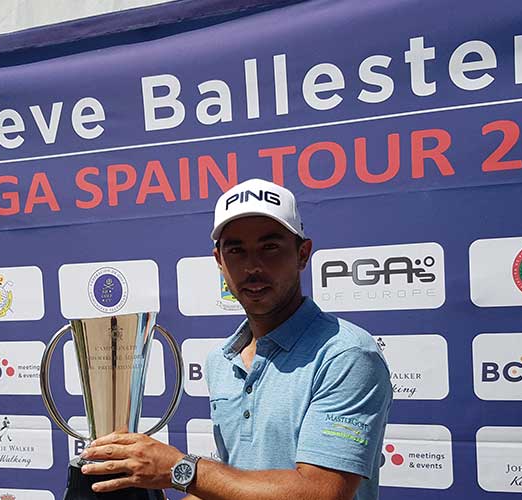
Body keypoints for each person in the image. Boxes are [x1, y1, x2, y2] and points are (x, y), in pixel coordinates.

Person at [82, 178, 392, 500]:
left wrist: (178, 469)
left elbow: (321, 492)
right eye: (236, 250)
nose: (252, 266)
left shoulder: (346, 355)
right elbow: (232, 485)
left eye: (270, 247)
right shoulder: (221, 361)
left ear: (303, 254)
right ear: (219, 260)